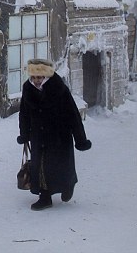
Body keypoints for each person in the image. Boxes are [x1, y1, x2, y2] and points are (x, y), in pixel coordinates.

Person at [17, 58, 91, 210]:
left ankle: (67, 186)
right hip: (38, 135)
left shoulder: (59, 88)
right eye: (34, 77)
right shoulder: (28, 89)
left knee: (60, 165)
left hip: (59, 135)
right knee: (40, 166)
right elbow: (24, 113)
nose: (36, 80)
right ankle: (45, 197)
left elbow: (73, 114)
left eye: (39, 77)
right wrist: (24, 134)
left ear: (46, 76)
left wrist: (80, 139)